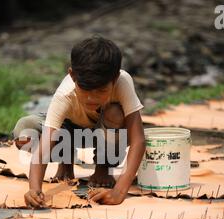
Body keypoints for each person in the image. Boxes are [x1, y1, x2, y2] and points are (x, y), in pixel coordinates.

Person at [12, 36, 145, 207]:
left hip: (106, 132)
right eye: (85, 89)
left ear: (115, 78)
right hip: (70, 134)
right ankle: (66, 161)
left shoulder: (123, 82)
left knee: (115, 112)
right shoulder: (64, 94)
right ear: (72, 76)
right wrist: (34, 189)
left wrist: (119, 192)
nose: (91, 97)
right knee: (25, 129)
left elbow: (138, 140)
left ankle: (102, 169)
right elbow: (45, 144)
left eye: (101, 90)